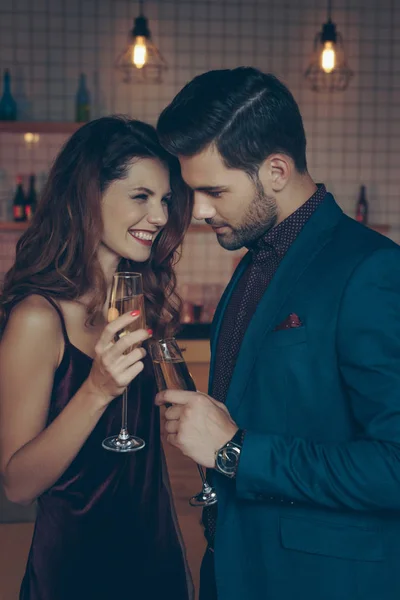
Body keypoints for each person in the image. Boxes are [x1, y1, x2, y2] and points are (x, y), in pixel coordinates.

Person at [155, 66, 400, 600]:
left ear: (276, 170)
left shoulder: (372, 270)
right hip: (236, 569)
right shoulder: (253, 258)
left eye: (213, 190)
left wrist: (235, 451)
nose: (198, 211)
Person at [0, 116, 194, 600]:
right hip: (77, 569)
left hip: (155, 557)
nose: (159, 216)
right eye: (141, 196)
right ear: (89, 196)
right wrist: (97, 390)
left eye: (166, 200)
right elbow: (17, 485)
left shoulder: (135, 305)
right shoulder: (37, 318)